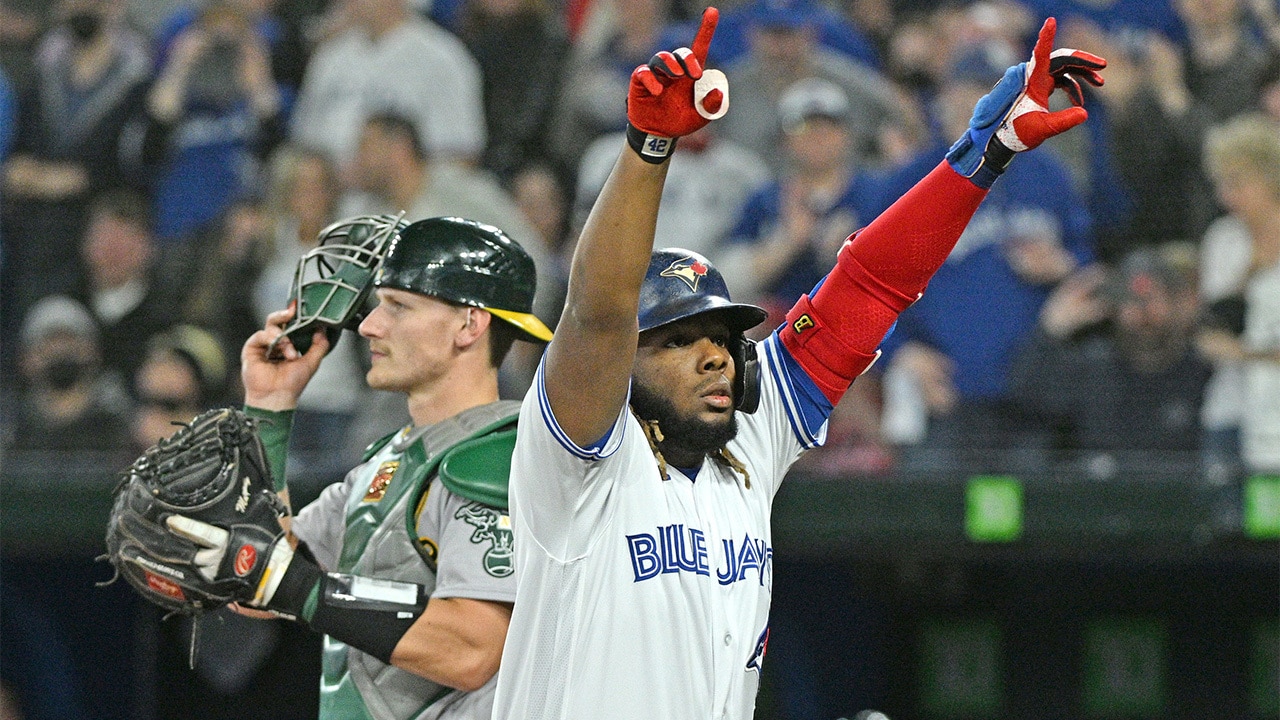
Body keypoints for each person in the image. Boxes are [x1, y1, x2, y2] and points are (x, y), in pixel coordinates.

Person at [493, 8, 1104, 718]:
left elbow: (872, 284)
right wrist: (648, 148)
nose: (715, 358)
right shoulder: (578, 461)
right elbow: (597, 313)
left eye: (721, 339)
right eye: (679, 341)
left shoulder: (749, 438)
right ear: (623, 364)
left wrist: (983, 156)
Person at [195, 215, 553, 718]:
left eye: (398, 307)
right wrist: (271, 408)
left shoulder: (496, 457)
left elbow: (470, 649)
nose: (368, 325)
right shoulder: (386, 459)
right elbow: (257, 578)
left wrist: (297, 586)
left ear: (469, 325)